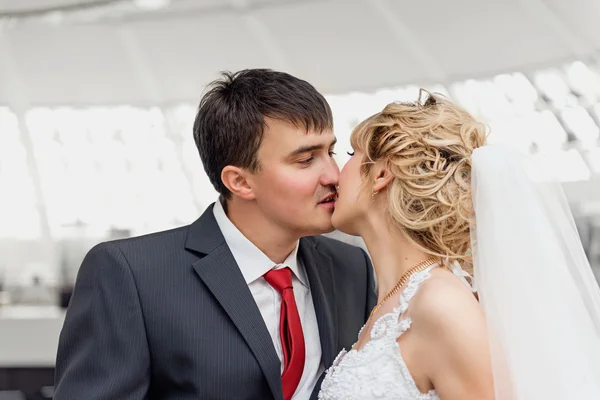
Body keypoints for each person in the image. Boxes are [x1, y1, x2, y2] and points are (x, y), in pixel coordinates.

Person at [54, 69, 376, 400]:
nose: (334, 176)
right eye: (306, 160)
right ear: (240, 181)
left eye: (331, 152)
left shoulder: (352, 268)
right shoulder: (131, 273)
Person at [318, 91, 600, 399]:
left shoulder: (441, 304)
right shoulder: (393, 300)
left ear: (381, 173)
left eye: (348, 155)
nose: (333, 176)